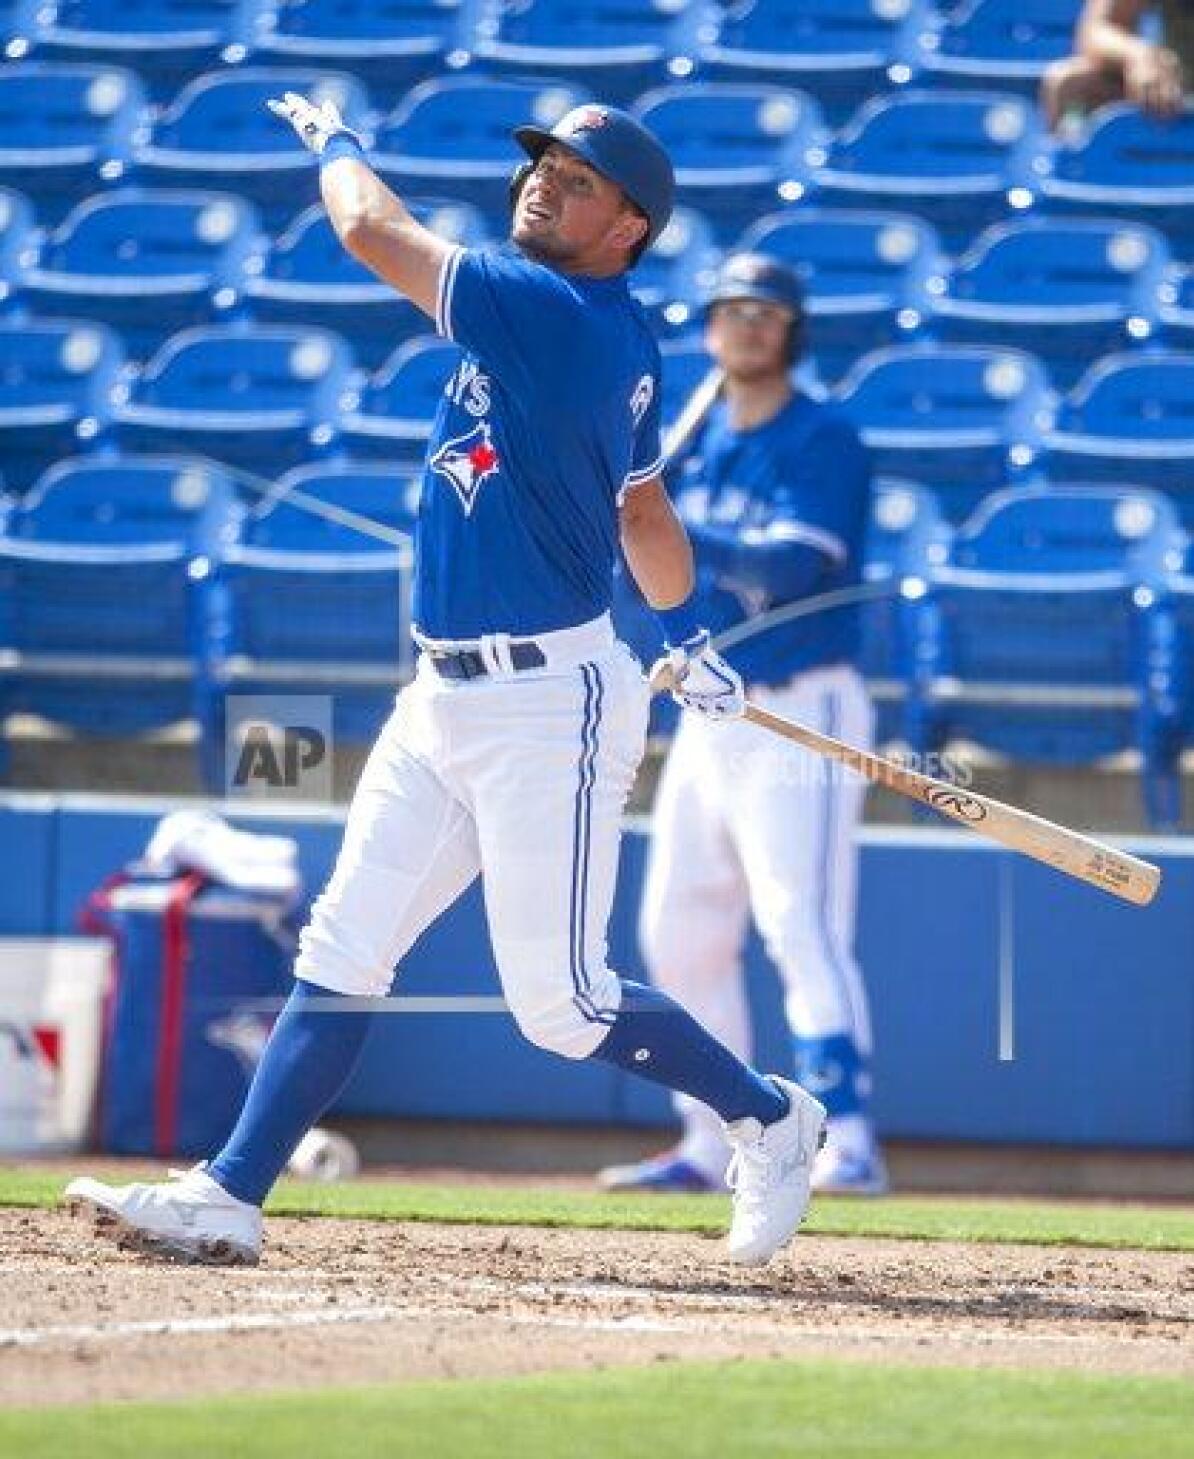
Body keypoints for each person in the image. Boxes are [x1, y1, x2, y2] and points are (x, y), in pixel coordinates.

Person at [64, 99, 827, 1268]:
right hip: (444, 693)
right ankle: (230, 1190)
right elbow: (643, 509)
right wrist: (689, 631)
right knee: (344, 943)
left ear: (630, 227)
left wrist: (335, 139)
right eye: (544, 168)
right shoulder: (597, 323)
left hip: (546, 702)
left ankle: (770, 1117)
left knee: (562, 1006)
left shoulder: (553, 312)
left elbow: (367, 227)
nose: (543, 187)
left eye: (578, 181)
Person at [600, 253, 886, 1198]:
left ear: (793, 330)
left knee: (798, 918)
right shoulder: (699, 438)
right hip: (708, 704)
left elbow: (790, 572)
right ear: (711, 326)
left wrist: (660, 523)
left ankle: (847, 1137)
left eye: (769, 311)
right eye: (733, 311)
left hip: (803, 701)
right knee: (679, 928)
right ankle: (716, 1137)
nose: (749, 325)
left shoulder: (824, 436)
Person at [1042, 0, 1194, 130]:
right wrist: (1141, 56)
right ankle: (1075, 163)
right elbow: (1096, 30)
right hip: (1180, 91)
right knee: (1072, 85)